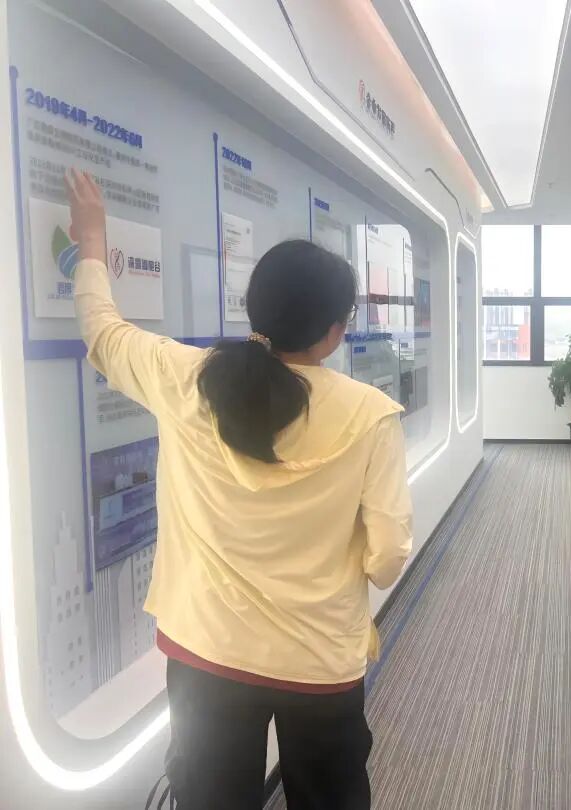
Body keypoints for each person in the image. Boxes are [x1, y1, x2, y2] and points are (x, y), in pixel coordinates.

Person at [66, 170, 412, 810]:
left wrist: (91, 242)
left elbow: (103, 330)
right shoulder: (371, 415)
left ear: (257, 306)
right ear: (335, 330)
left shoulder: (186, 376)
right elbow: (388, 558)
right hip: (319, 658)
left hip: (207, 650)